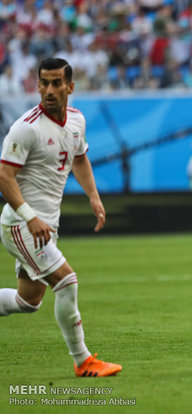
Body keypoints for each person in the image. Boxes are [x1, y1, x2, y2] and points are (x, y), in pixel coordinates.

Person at [0, 58, 122, 377]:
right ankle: (83, 362)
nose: (49, 90)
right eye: (44, 83)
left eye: (56, 83)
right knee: (67, 281)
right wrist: (29, 217)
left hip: (45, 226)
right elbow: (4, 177)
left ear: (70, 86)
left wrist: (94, 197)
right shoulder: (26, 128)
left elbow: (80, 159)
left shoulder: (77, 121)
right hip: (21, 225)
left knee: (29, 301)